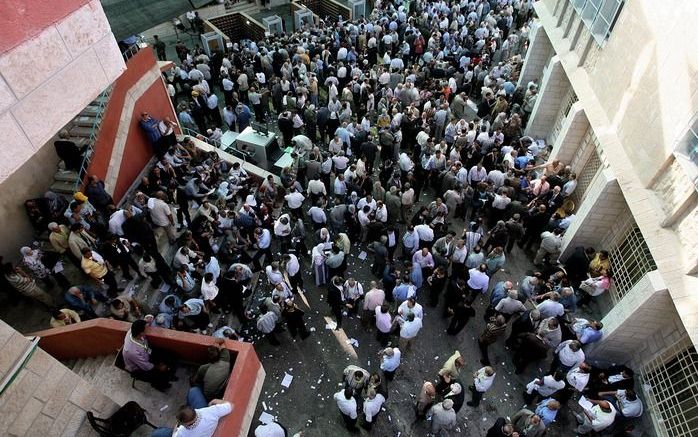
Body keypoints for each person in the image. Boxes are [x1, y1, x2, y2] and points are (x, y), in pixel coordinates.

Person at [122, 320, 176, 391]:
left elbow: (140, 324)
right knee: (159, 373)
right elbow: (146, 366)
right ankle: (160, 384)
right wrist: (158, 367)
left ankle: (169, 372)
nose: (148, 330)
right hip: (138, 369)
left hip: (147, 353)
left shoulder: (133, 331)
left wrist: (147, 320)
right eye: (146, 330)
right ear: (141, 333)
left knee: (167, 354)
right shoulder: (132, 351)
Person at [151, 399, 233, 437]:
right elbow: (230, 406)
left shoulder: (183, 433)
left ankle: (159, 429)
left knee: (158, 433)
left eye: (180, 422)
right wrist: (215, 400)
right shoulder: (211, 412)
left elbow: (174, 435)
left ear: (185, 423)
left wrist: (176, 427)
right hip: (208, 429)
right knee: (194, 391)